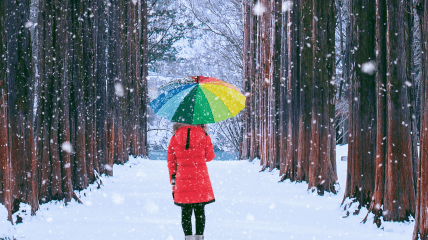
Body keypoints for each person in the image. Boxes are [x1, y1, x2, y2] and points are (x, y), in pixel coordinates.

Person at [167, 123, 215, 240]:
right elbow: (209, 157)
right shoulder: (204, 136)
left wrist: (173, 180)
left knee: (186, 213)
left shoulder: (174, 138)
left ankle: (188, 238)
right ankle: (199, 238)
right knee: (199, 212)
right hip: (200, 180)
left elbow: (171, 162)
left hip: (182, 181)